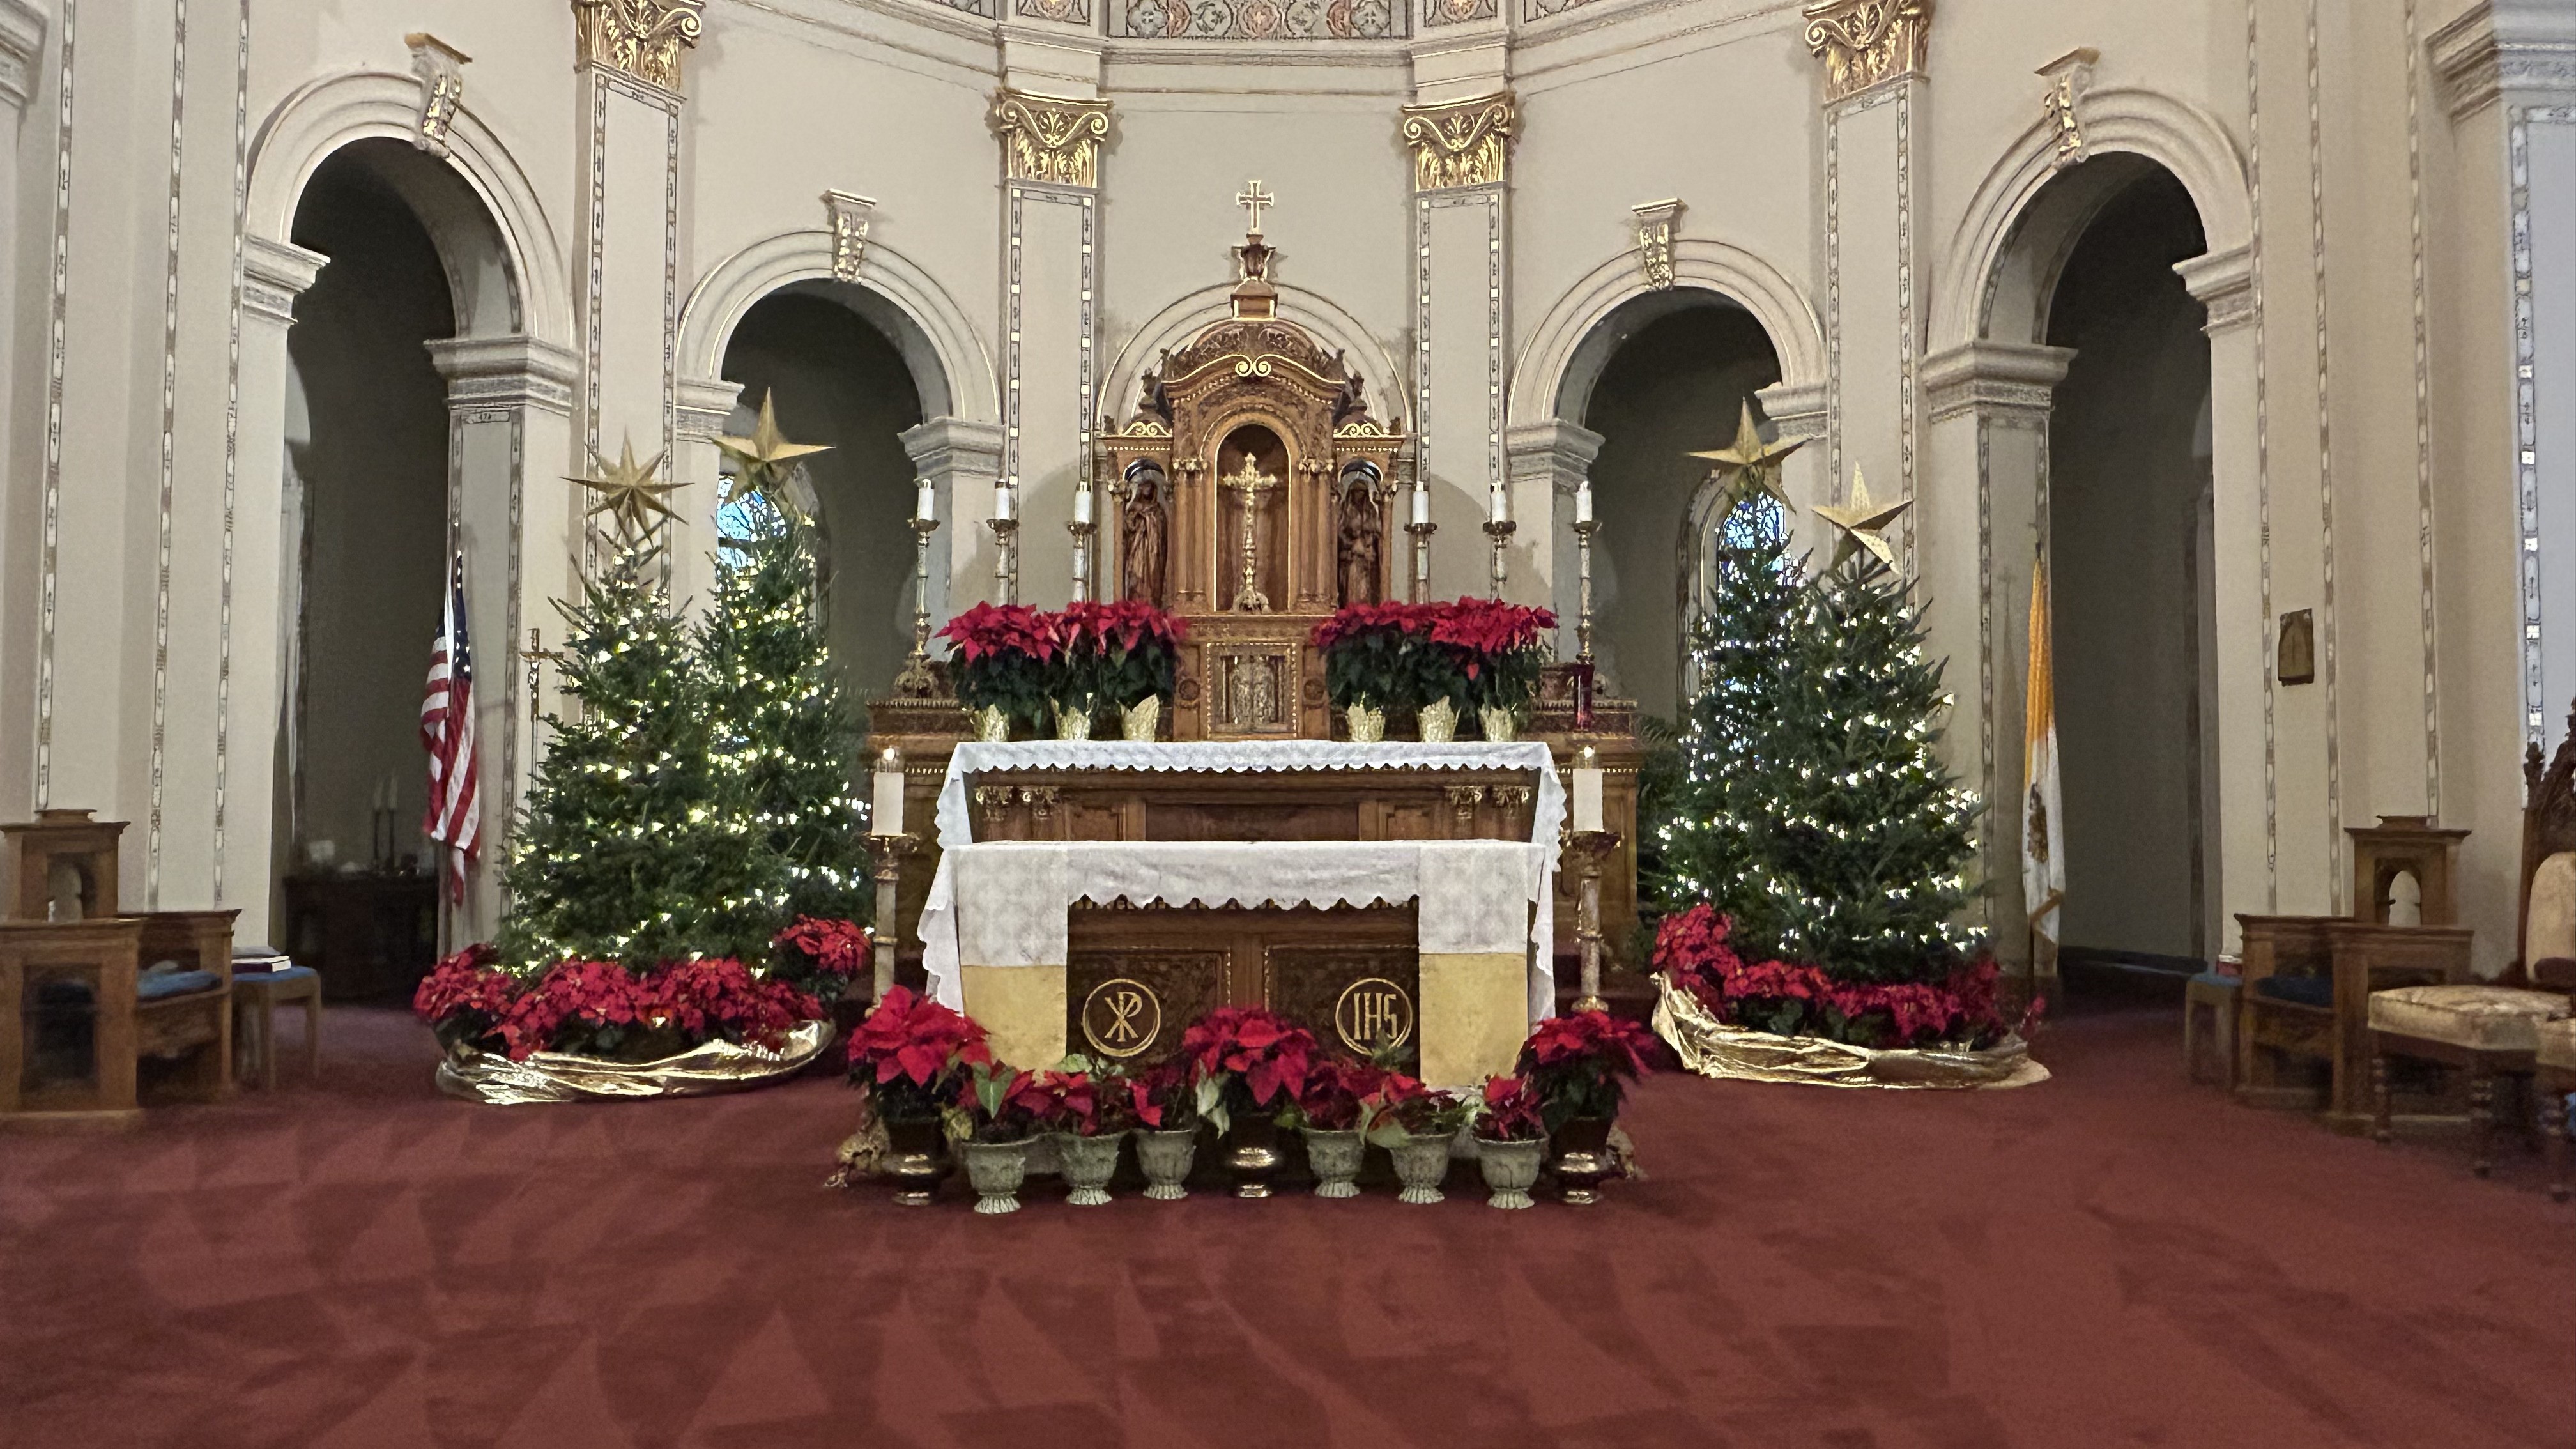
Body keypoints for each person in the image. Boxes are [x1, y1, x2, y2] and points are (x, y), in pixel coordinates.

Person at [1120, 457, 1170, 607]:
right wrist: (1137, 518)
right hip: (1138, 549)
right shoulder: (1135, 507)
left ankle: (1153, 602)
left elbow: (1161, 530)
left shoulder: (1158, 510)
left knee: (1152, 578)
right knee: (1137, 576)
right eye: (1144, 487)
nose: (1147, 490)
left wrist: (1149, 519)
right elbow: (1128, 526)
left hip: (1153, 551)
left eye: (1150, 487)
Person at [1336, 459, 1384, 607]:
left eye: (1362, 493)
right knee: (1352, 591)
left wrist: (1368, 542)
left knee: (1366, 590)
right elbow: (1339, 532)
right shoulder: (1345, 510)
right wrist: (1352, 543)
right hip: (1351, 557)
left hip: (1368, 559)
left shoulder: (1370, 511)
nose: (1359, 496)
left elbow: (1378, 531)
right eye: (1356, 493)